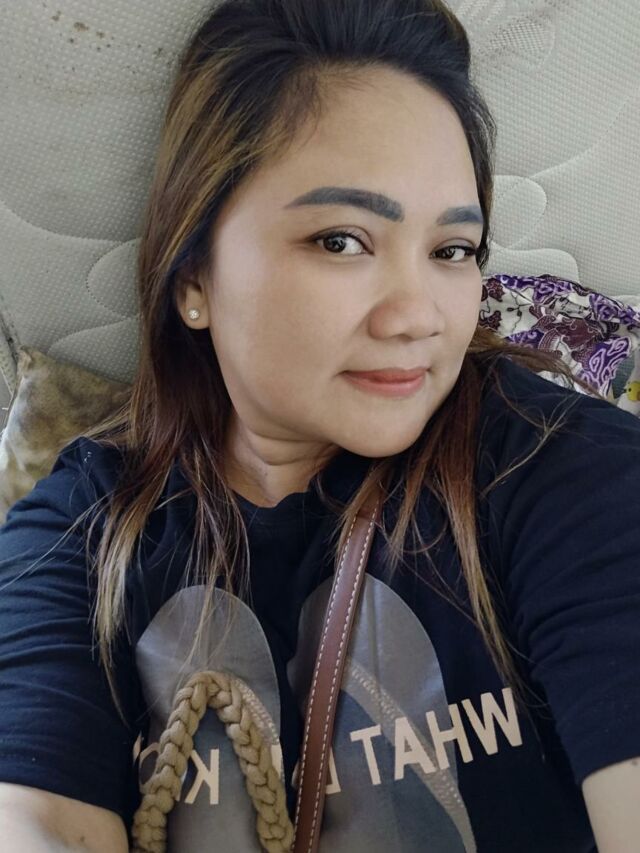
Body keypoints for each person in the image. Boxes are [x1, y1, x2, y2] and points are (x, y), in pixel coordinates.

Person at [0, 0, 639, 850]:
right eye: (341, 240)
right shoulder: (83, 529)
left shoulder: (560, 469)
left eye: (453, 250)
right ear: (193, 278)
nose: (418, 316)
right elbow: (35, 816)